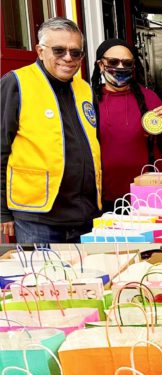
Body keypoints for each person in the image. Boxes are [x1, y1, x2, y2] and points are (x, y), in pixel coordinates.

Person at [1, 17, 101, 243]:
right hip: (37, 218)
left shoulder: (85, 89)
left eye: (76, 53)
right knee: (44, 279)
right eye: (59, 50)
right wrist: (2, 212)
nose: (68, 58)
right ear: (40, 50)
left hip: (84, 215)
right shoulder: (16, 83)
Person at [91, 38, 162, 212]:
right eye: (113, 62)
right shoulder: (88, 101)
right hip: (104, 197)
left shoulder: (150, 98)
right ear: (101, 65)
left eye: (126, 63)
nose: (119, 67)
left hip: (150, 194)